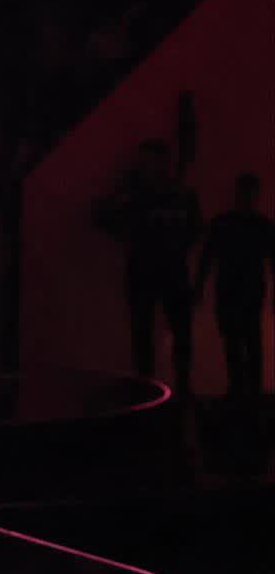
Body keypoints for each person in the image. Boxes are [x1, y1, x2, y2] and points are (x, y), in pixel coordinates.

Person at [96, 137, 202, 396]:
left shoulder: (176, 194)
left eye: (150, 161)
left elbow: (195, 227)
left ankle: (173, 388)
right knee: (147, 332)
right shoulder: (137, 194)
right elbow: (104, 218)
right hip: (150, 268)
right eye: (144, 161)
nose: (146, 166)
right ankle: (153, 389)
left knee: (176, 332)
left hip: (165, 268)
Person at [197, 173, 275, 406]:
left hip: (235, 288)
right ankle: (249, 391)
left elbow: (207, 258)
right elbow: (207, 257)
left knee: (240, 339)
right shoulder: (261, 225)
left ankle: (240, 390)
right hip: (243, 288)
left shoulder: (225, 223)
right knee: (245, 340)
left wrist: (199, 286)